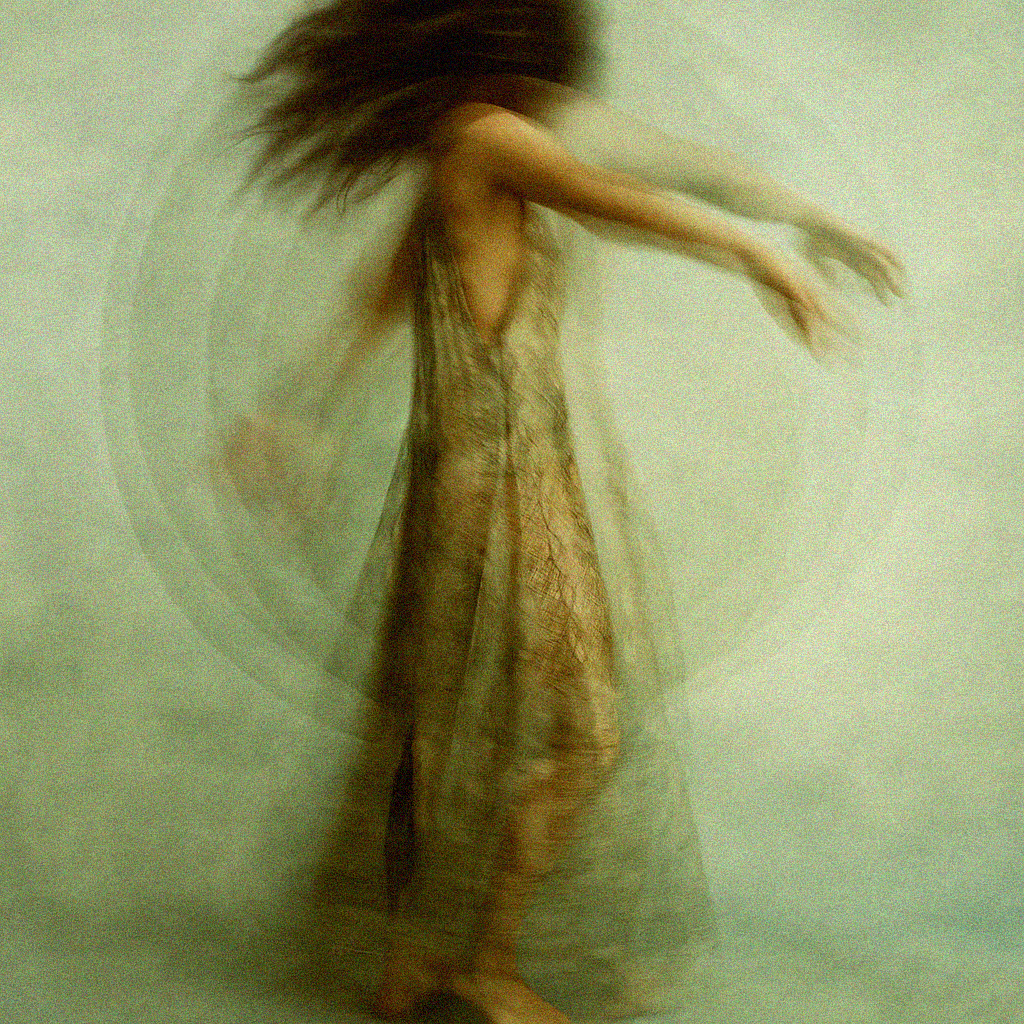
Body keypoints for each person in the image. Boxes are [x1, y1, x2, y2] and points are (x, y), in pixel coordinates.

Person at [223, 2, 904, 1022]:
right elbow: (609, 198)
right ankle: (486, 966)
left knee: (463, 727)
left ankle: (413, 962)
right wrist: (760, 256)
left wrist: (809, 217)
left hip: (478, 485)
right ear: (511, 49)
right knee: (580, 737)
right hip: (506, 489)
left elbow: (664, 168)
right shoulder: (486, 137)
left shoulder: (465, 145)